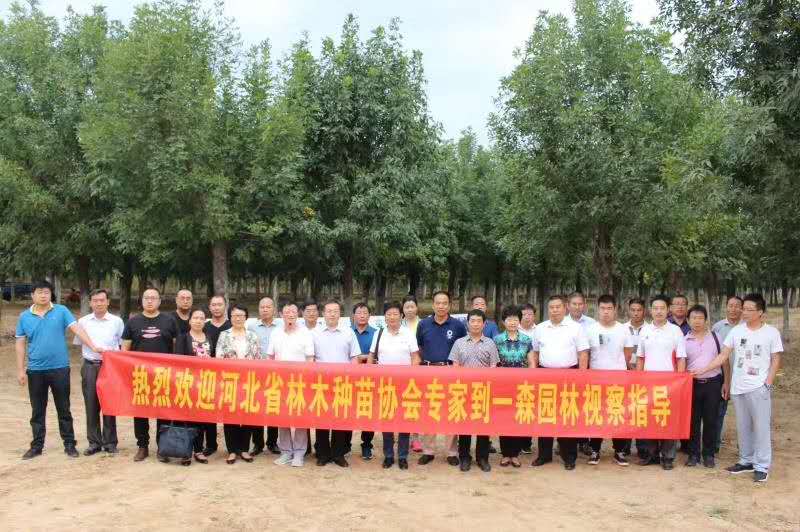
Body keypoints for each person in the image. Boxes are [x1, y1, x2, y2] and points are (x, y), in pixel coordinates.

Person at [691, 293, 782, 483]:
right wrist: (704, 369)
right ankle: (746, 460)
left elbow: (776, 359)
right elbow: (723, 355)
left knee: (761, 427)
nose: (744, 312)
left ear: (760, 312)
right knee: (743, 426)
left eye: (749, 309)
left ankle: (762, 465)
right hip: (738, 387)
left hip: (759, 387)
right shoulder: (737, 331)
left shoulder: (771, 332)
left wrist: (768, 383)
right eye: (744, 309)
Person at [16, 280, 100, 460]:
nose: (43, 295)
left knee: (64, 409)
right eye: (40, 292)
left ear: (50, 294)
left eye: (46, 292)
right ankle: (37, 446)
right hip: (36, 370)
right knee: (37, 410)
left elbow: (77, 329)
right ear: (32, 295)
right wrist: (21, 370)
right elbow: (20, 343)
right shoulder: (24, 316)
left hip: (60, 369)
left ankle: (69, 444)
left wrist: (93, 346)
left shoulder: (61, 311)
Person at [530, 295, 589, 470]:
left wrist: (581, 377)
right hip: (545, 376)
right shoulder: (540, 328)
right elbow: (535, 353)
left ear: (565, 308)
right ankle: (544, 454)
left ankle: (568, 456)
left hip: (569, 376)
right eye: (551, 307)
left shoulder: (576, 328)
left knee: (567, 416)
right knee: (545, 415)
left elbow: (583, 354)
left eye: (558, 307)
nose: (554, 310)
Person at [121, 287, 179, 462]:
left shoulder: (169, 321)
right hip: (140, 375)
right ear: (142, 301)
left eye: (154, 298)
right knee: (140, 411)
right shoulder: (133, 322)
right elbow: (125, 349)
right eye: (146, 298)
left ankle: (163, 447)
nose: (150, 301)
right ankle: (142, 446)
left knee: (163, 411)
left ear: (159, 301)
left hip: (164, 374)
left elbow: (176, 348)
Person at [415, 290, 466, 466]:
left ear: (449, 305)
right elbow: (419, 347)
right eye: (438, 303)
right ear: (433, 305)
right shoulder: (423, 324)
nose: (441, 306)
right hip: (428, 371)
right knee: (430, 411)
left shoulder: (458, 326)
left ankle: (451, 452)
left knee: (451, 411)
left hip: (450, 372)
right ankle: (428, 451)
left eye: (444, 303)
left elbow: (462, 348)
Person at [636, 294, 687, 470]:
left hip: (670, 384)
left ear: (668, 310)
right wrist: (638, 380)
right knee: (650, 418)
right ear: (650, 311)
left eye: (662, 308)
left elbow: (681, 358)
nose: (658, 311)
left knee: (668, 419)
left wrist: (679, 382)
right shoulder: (645, 331)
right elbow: (640, 358)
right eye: (655, 308)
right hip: (648, 383)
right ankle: (651, 454)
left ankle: (668, 457)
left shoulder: (675, 331)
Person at [368, 301, 421, 470]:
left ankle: (403, 456)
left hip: (405, 384)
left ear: (401, 315)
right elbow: (371, 357)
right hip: (385, 385)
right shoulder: (379, 334)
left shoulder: (408, 333)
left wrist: (412, 377)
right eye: (389, 314)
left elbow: (415, 358)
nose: (392, 317)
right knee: (387, 420)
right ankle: (389, 455)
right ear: (384, 317)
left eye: (395, 314)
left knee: (404, 420)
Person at [73, 289, 124, 456]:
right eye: (95, 300)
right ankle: (94, 442)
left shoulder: (117, 321)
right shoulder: (83, 321)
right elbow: (79, 343)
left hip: (110, 367)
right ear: (90, 303)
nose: (99, 303)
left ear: (108, 302)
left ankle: (110, 442)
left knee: (109, 404)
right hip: (89, 366)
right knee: (91, 404)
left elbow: (122, 344)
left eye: (102, 300)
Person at [585, 294, 633, 466]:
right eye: (603, 308)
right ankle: (595, 450)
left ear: (615, 310)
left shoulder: (623, 329)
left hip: (618, 380)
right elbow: (586, 354)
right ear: (597, 310)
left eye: (609, 308)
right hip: (595, 380)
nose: (606, 312)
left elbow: (628, 354)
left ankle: (619, 451)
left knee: (617, 414)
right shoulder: (590, 329)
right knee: (596, 414)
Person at [449, 309, 499, 472]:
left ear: (484, 324)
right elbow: (455, 366)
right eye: (473, 321)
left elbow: (493, 367)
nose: (476, 324)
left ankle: (482, 458)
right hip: (463, 391)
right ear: (467, 323)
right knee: (464, 426)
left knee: (483, 426)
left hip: (484, 391)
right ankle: (464, 457)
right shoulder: (459, 343)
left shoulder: (490, 343)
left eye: (479, 321)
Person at [312, 300, 360, 467]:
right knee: (322, 419)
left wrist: (352, 379)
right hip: (321, 383)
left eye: (335, 311)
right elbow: (311, 358)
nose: (332, 314)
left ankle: (338, 454)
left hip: (343, 383)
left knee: (340, 418)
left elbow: (354, 358)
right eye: (329, 311)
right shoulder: (315, 333)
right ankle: (323, 454)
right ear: (323, 314)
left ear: (340, 314)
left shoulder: (348, 332)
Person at [267, 301, 315, 467]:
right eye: (287, 312)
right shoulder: (275, 333)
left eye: (293, 311)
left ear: (298, 314)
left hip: (300, 382)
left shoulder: (305, 333)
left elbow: (310, 358)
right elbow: (270, 357)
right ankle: (286, 452)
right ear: (281, 314)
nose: (290, 314)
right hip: (279, 382)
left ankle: (299, 453)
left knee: (300, 418)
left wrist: (307, 379)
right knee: (282, 417)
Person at [216, 304, 260, 464]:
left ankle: (244, 449)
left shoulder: (252, 336)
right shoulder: (224, 335)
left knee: (247, 415)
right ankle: (232, 450)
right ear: (230, 317)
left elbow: (258, 358)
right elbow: (219, 357)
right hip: (230, 381)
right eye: (235, 315)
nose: (238, 318)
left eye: (241, 315)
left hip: (248, 381)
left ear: (246, 317)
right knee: (230, 415)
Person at [684, 304, 725, 468]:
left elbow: (725, 362)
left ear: (706, 320)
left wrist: (726, 382)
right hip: (692, 385)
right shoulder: (683, 340)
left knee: (711, 419)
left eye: (700, 318)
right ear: (688, 320)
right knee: (692, 420)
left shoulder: (716, 337)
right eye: (693, 318)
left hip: (713, 383)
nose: (697, 321)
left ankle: (708, 455)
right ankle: (693, 454)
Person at [494, 305, 533, 467]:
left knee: (518, 418)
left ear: (519, 321)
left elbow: (531, 363)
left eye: (515, 319)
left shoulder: (526, 340)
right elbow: (494, 363)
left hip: (521, 387)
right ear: (504, 322)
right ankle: (505, 454)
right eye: (509, 319)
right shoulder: (497, 340)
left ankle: (515, 454)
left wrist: (530, 381)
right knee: (504, 418)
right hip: (502, 386)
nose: (512, 322)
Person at [175, 308, 213, 464]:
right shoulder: (183, 338)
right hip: (187, 383)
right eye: (195, 318)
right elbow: (178, 362)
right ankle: (185, 451)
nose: (198, 320)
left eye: (201, 318)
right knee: (186, 419)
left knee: (201, 419)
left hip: (205, 384)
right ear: (189, 321)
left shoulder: (209, 337)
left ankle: (198, 450)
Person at [247, 297, 281, 455]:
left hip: (276, 374)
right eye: (262, 307)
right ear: (258, 309)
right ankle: (258, 444)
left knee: (273, 407)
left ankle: (272, 442)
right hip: (257, 374)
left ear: (274, 309)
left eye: (268, 307)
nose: (265, 309)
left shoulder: (281, 326)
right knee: (257, 408)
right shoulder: (252, 327)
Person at [711, 295, 743, 455]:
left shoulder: (747, 327)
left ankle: (744, 448)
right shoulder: (717, 327)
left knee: (744, 414)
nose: (733, 309)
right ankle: (714, 445)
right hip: (722, 375)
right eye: (730, 305)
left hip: (743, 376)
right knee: (718, 411)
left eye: (737, 306)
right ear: (726, 307)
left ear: (742, 309)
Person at [199, 293, 230, 457]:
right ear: (209, 307)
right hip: (208, 375)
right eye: (214, 305)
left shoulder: (232, 325)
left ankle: (233, 446)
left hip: (229, 376)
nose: (217, 308)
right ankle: (211, 444)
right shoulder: (204, 326)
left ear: (225, 306)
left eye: (220, 304)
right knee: (208, 409)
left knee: (229, 409)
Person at [351, 302, 377, 459]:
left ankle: (367, 445)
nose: (361, 315)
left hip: (370, 379)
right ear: (353, 315)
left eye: (365, 312)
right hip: (350, 379)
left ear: (369, 315)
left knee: (368, 412)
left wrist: (362, 357)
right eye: (359, 313)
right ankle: (345, 444)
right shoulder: (347, 332)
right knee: (347, 410)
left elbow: (378, 355)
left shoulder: (376, 333)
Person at [623, 297, 648, 458]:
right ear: (628, 310)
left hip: (644, 375)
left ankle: (642, 448)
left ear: (644, 311)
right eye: (633, 310)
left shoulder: (650, 329)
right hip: (625, 373)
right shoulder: (622, 328)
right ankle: (624, 447)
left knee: (641, 410)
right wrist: (627, 366)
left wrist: (640, 369)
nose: (636, 313)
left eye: (639, 310)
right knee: (625, 410)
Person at [401, 294, 423, 453]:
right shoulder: (396, 323)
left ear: (417, 308)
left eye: (412, 306)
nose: (409, 310)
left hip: (417, 369)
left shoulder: (423, 324)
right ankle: (401, 435)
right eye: (406, 307)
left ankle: (415, 437)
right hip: (399, 369)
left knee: (414, 402)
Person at [517, 303, 537, 454]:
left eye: (530, 314)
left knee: (529, 407)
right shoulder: (513, 330)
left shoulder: (540, 330)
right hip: (516, 375)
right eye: (524, 314)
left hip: (534, 373)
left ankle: (526, 443)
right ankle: (514, 442)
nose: (527, 317)